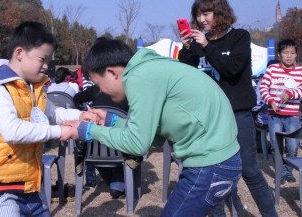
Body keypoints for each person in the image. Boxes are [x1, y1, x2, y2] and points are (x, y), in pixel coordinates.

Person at [61, 39, 242, 216]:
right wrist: (113, 121)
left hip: (210, 162)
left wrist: (87, 131)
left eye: (98, 84)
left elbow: (137, 145)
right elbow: (154, 137)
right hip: (216, 160)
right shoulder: (148, 70)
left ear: (112, 72)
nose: (101, 91)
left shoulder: (138, 78)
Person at [0, 21, 97, 217]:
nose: (47, 66)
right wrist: (60, 132)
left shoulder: (33, 89)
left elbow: (53, 114)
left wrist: (80, 115)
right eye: (43, 59)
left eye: (48, 61)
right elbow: (12, 131)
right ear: (20, 53)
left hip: (29, 183)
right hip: (1, 188)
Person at [178, 0, 278, 216]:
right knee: (212, 172)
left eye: (207, 13)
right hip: (208, 118)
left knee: (250, 171)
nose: (202, 19)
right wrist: (186, 49)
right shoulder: (196, 43)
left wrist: (206, 46)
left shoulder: (240, 37)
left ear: (219, 11)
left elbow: (232, 70)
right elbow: (184, 75)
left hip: (237, 114)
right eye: (198, 15)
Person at [260, 39, 302, 184]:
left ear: (296, 55)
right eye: (286, 53)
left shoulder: (300, 71)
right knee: (275, 145)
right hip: (275, 115)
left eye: (292, 53)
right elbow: (263, 88)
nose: (289, 56)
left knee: (292, 145)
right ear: (279, 54)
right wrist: (270, 101)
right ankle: (279, 172)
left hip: (292, 115)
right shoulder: (272, 70)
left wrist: (291, 94)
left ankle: (288, 171)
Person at [73, 83, 130, 196]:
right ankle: (117, 186)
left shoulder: (96, 88)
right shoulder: (130, 91)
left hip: (95, 146)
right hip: (122, 142)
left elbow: (76, 99)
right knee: (132, 153)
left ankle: (114, 184)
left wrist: (84, 111)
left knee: (94, 151)